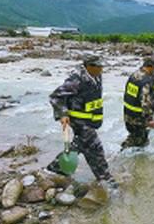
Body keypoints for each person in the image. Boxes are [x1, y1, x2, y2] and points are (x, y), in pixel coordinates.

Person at [46, 55, 115, 185]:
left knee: (80, 146)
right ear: (89, 66)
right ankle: (105, 179)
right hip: (80, 121)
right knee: (95, 147)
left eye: (102, 66)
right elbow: (55, 97)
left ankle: (54, 169)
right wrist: (63, 114)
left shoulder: (96, 76)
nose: (102, 69)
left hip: (90, 120)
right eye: (99, 66)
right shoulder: (76, 80)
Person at [121, 57, 154, 150]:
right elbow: (145, 102)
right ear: (151, 67)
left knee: (133, 137)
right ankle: (122, 157)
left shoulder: (134, 75)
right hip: (139, 118)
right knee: (141, 142)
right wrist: (149, 119)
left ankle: (124, 156)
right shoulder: (145, 81)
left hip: (127, 114)